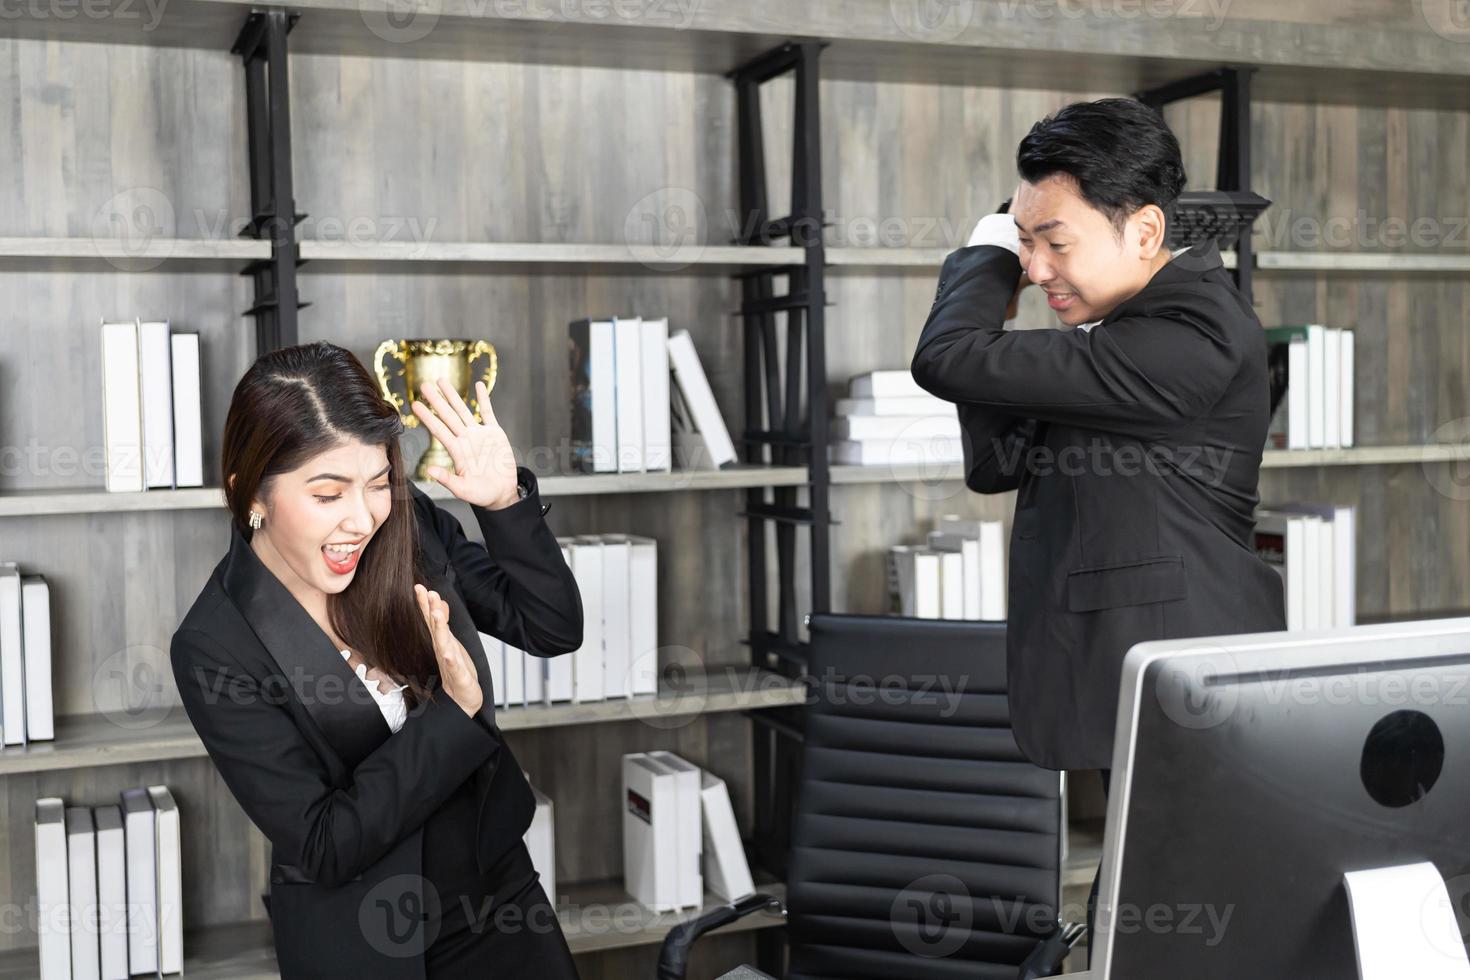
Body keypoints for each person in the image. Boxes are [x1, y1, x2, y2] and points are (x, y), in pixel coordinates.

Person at [910, 98, 1287, 965]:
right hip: (1137, 692)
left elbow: (949, 359)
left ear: (1145, 231)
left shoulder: (1194, 330)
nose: (1037, 267)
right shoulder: (1114, 332)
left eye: (1053, 241)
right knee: (1137, 938)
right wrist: (1020, 276)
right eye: (1025, 242)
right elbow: (998, 459)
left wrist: (986, 253)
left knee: (1182, 947)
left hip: (1195, 704)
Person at [170, 340, 584, 978]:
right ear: (250, 493)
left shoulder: (405, 524)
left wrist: (503, 507)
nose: (363, 519)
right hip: (362, 940)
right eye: (328, 494)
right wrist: (453, 713)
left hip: (500, 905)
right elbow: (326, 843)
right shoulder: (214, 645)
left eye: (377, 483)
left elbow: (551, 626)